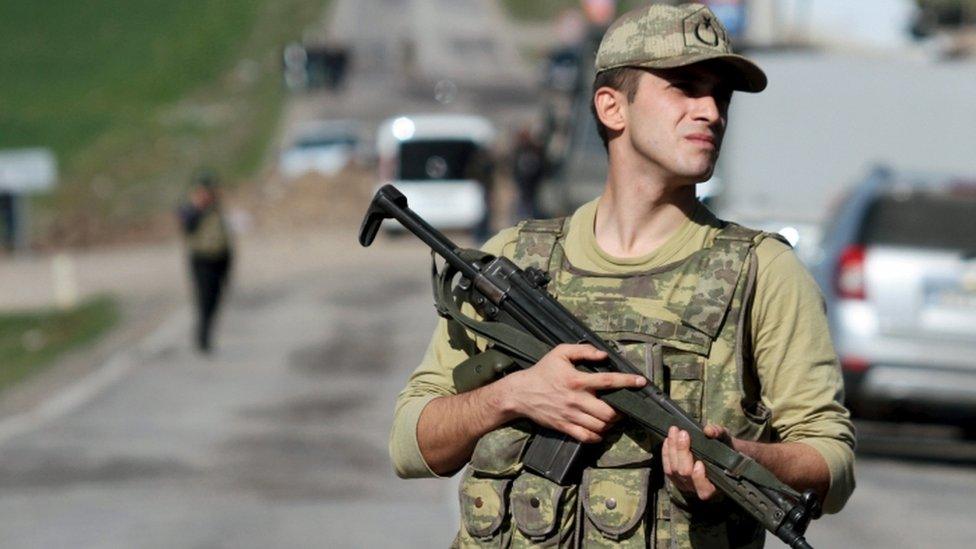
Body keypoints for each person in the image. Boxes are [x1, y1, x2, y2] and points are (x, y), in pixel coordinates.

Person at [390, 3, 855, 547]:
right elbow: (408, 444)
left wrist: (738, 460)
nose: (711, 111)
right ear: (613, 107)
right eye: (684, 87)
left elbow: (833, 463)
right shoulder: (514, 259)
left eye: (720, 95)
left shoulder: (762, 273)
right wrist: (512, 396)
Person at [178, 170, 232, 353]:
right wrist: (198, 207)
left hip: (220, 258)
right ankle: (202, 337)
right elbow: (187, 226)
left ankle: (206, 335)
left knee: (215, 299)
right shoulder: (191, 209)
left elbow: (224, 235)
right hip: (202, 260)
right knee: (205, 300)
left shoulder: (216, 208)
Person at [511, 126, 547, 222]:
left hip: (535, 186)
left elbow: (541, 167)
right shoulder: (519, 151)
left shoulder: (535, 150)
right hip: (524, 187)